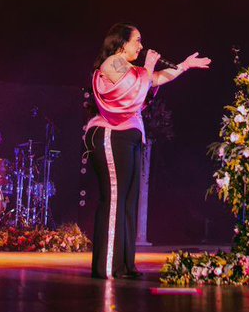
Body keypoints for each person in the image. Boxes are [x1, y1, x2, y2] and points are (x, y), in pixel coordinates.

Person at [84, 23, 210, 279]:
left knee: (129, 202)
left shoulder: (132, 70)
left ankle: (125, 265)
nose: (141, 46)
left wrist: (184, 65)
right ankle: (107, 267)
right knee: (115, 200)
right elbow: (133, 94)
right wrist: (150, 66)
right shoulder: (112, 64)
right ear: (121, 43)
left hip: (129, 136)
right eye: (137, 41)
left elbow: (156, 79)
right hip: (111, 134)